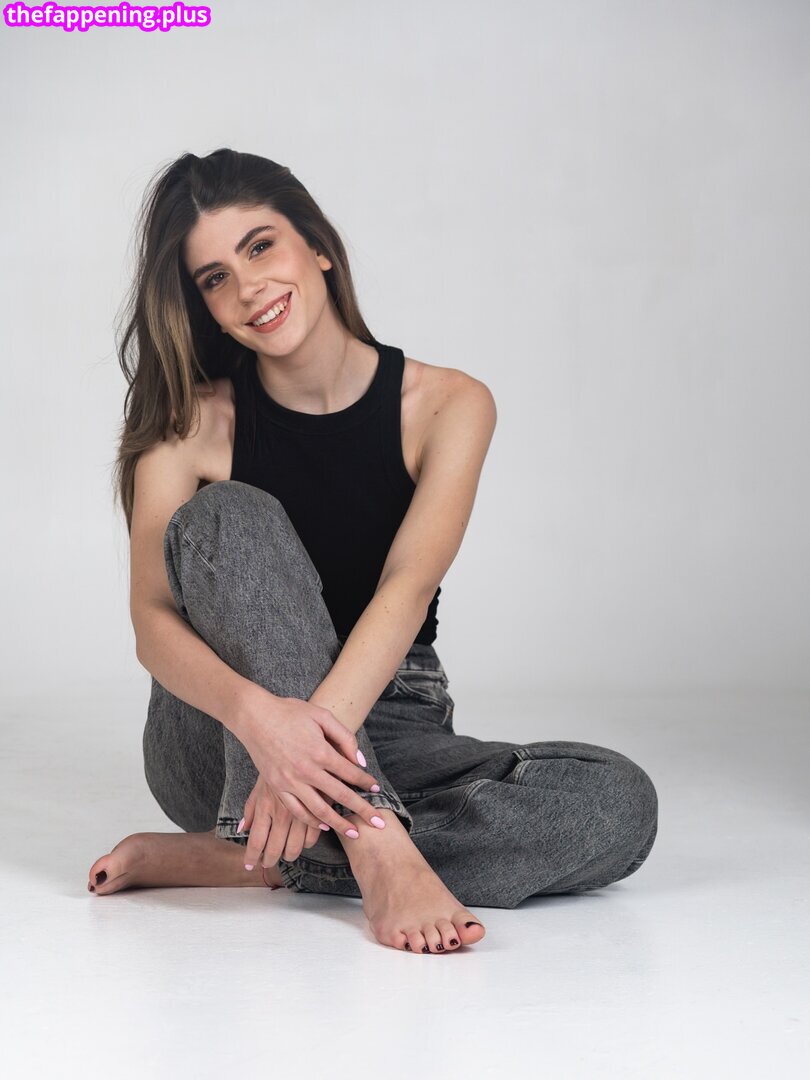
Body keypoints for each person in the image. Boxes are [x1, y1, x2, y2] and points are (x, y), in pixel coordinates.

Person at [87, 148, 658, 954]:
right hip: (222, 735)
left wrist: (314, 745)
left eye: (260, 247)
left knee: (616, 804)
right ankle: (376, 843)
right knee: (230, 516)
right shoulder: (188, 429)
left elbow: (406, 587)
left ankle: (265, 861)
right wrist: (266, 724)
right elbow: (152, 623)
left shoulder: (449, 404)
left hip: (391, 721)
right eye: (215, 278)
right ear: (204, 306)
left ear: (317, 246)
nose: (248, 287)